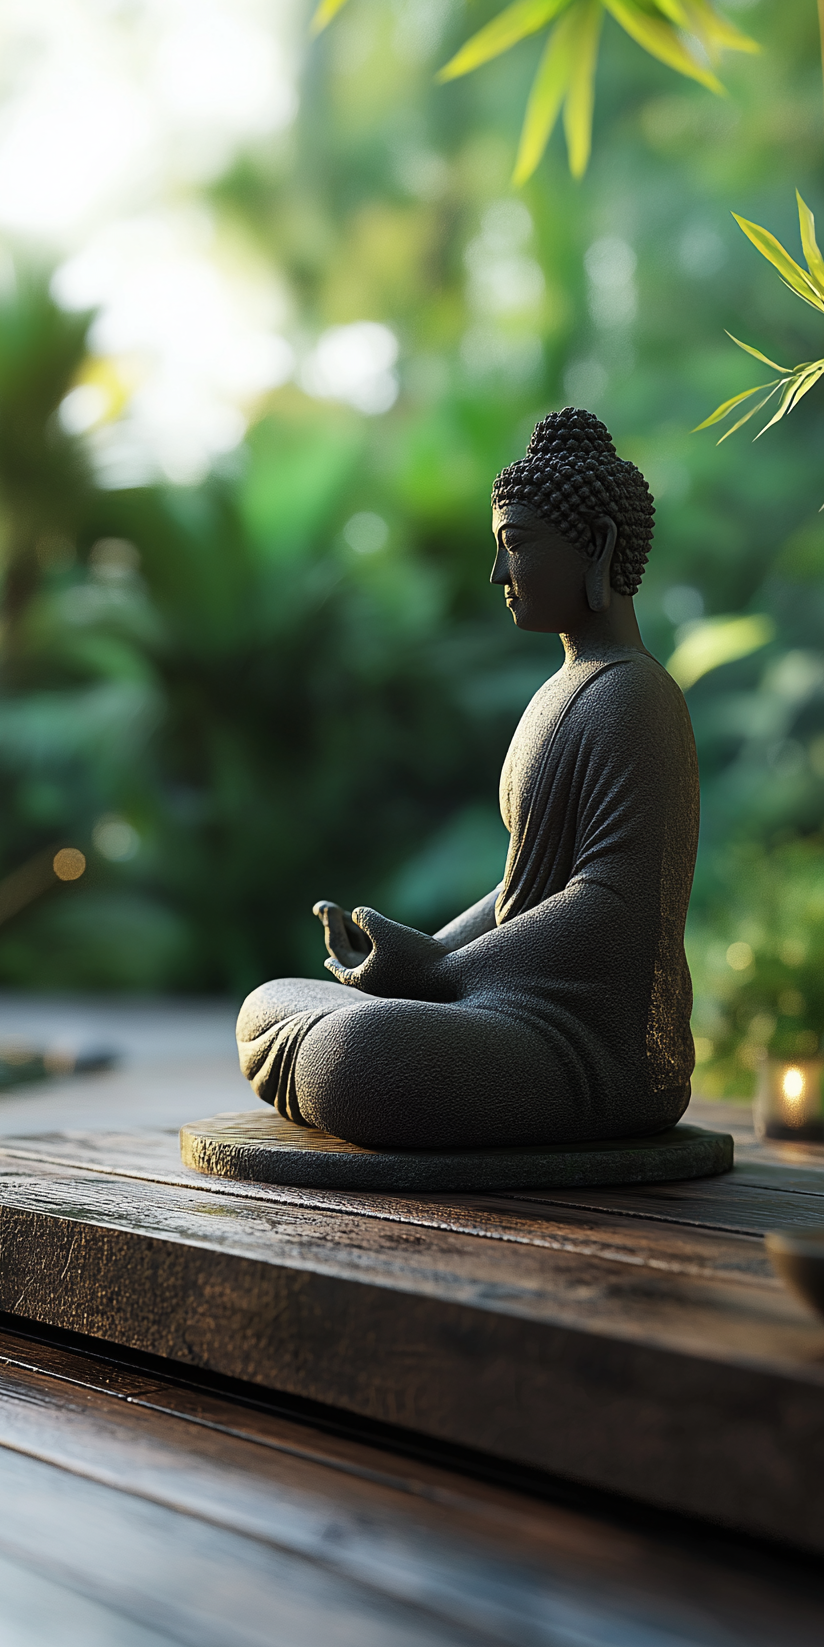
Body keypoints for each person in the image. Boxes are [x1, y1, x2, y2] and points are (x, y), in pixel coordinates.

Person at [236, 408, 699, 1148]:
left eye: (515, 546)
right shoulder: (562, 689)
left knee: (361, 1055)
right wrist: (416, 958)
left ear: (598, 546)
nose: (498, 574)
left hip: (591, 1042)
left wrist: (443, 973)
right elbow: (519, 890)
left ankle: (344, 1066)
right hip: (505, 1004)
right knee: (267, 1006)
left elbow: (610, 906)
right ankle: (343, 1056)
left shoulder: (637, 695)